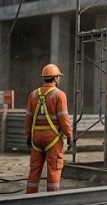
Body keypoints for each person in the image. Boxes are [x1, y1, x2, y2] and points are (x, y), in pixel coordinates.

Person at [25, 63, 73, 193]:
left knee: (35, 168)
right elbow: (63, 117)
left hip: (36, 137)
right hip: (53, 137)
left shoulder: (33, 94)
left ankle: (29, 196)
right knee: (54, 168)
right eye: (59, 77)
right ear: (56, 78)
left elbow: (28, 117)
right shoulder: (59, 95)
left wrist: (28, 135)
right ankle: (52, 197)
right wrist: (69, 136)